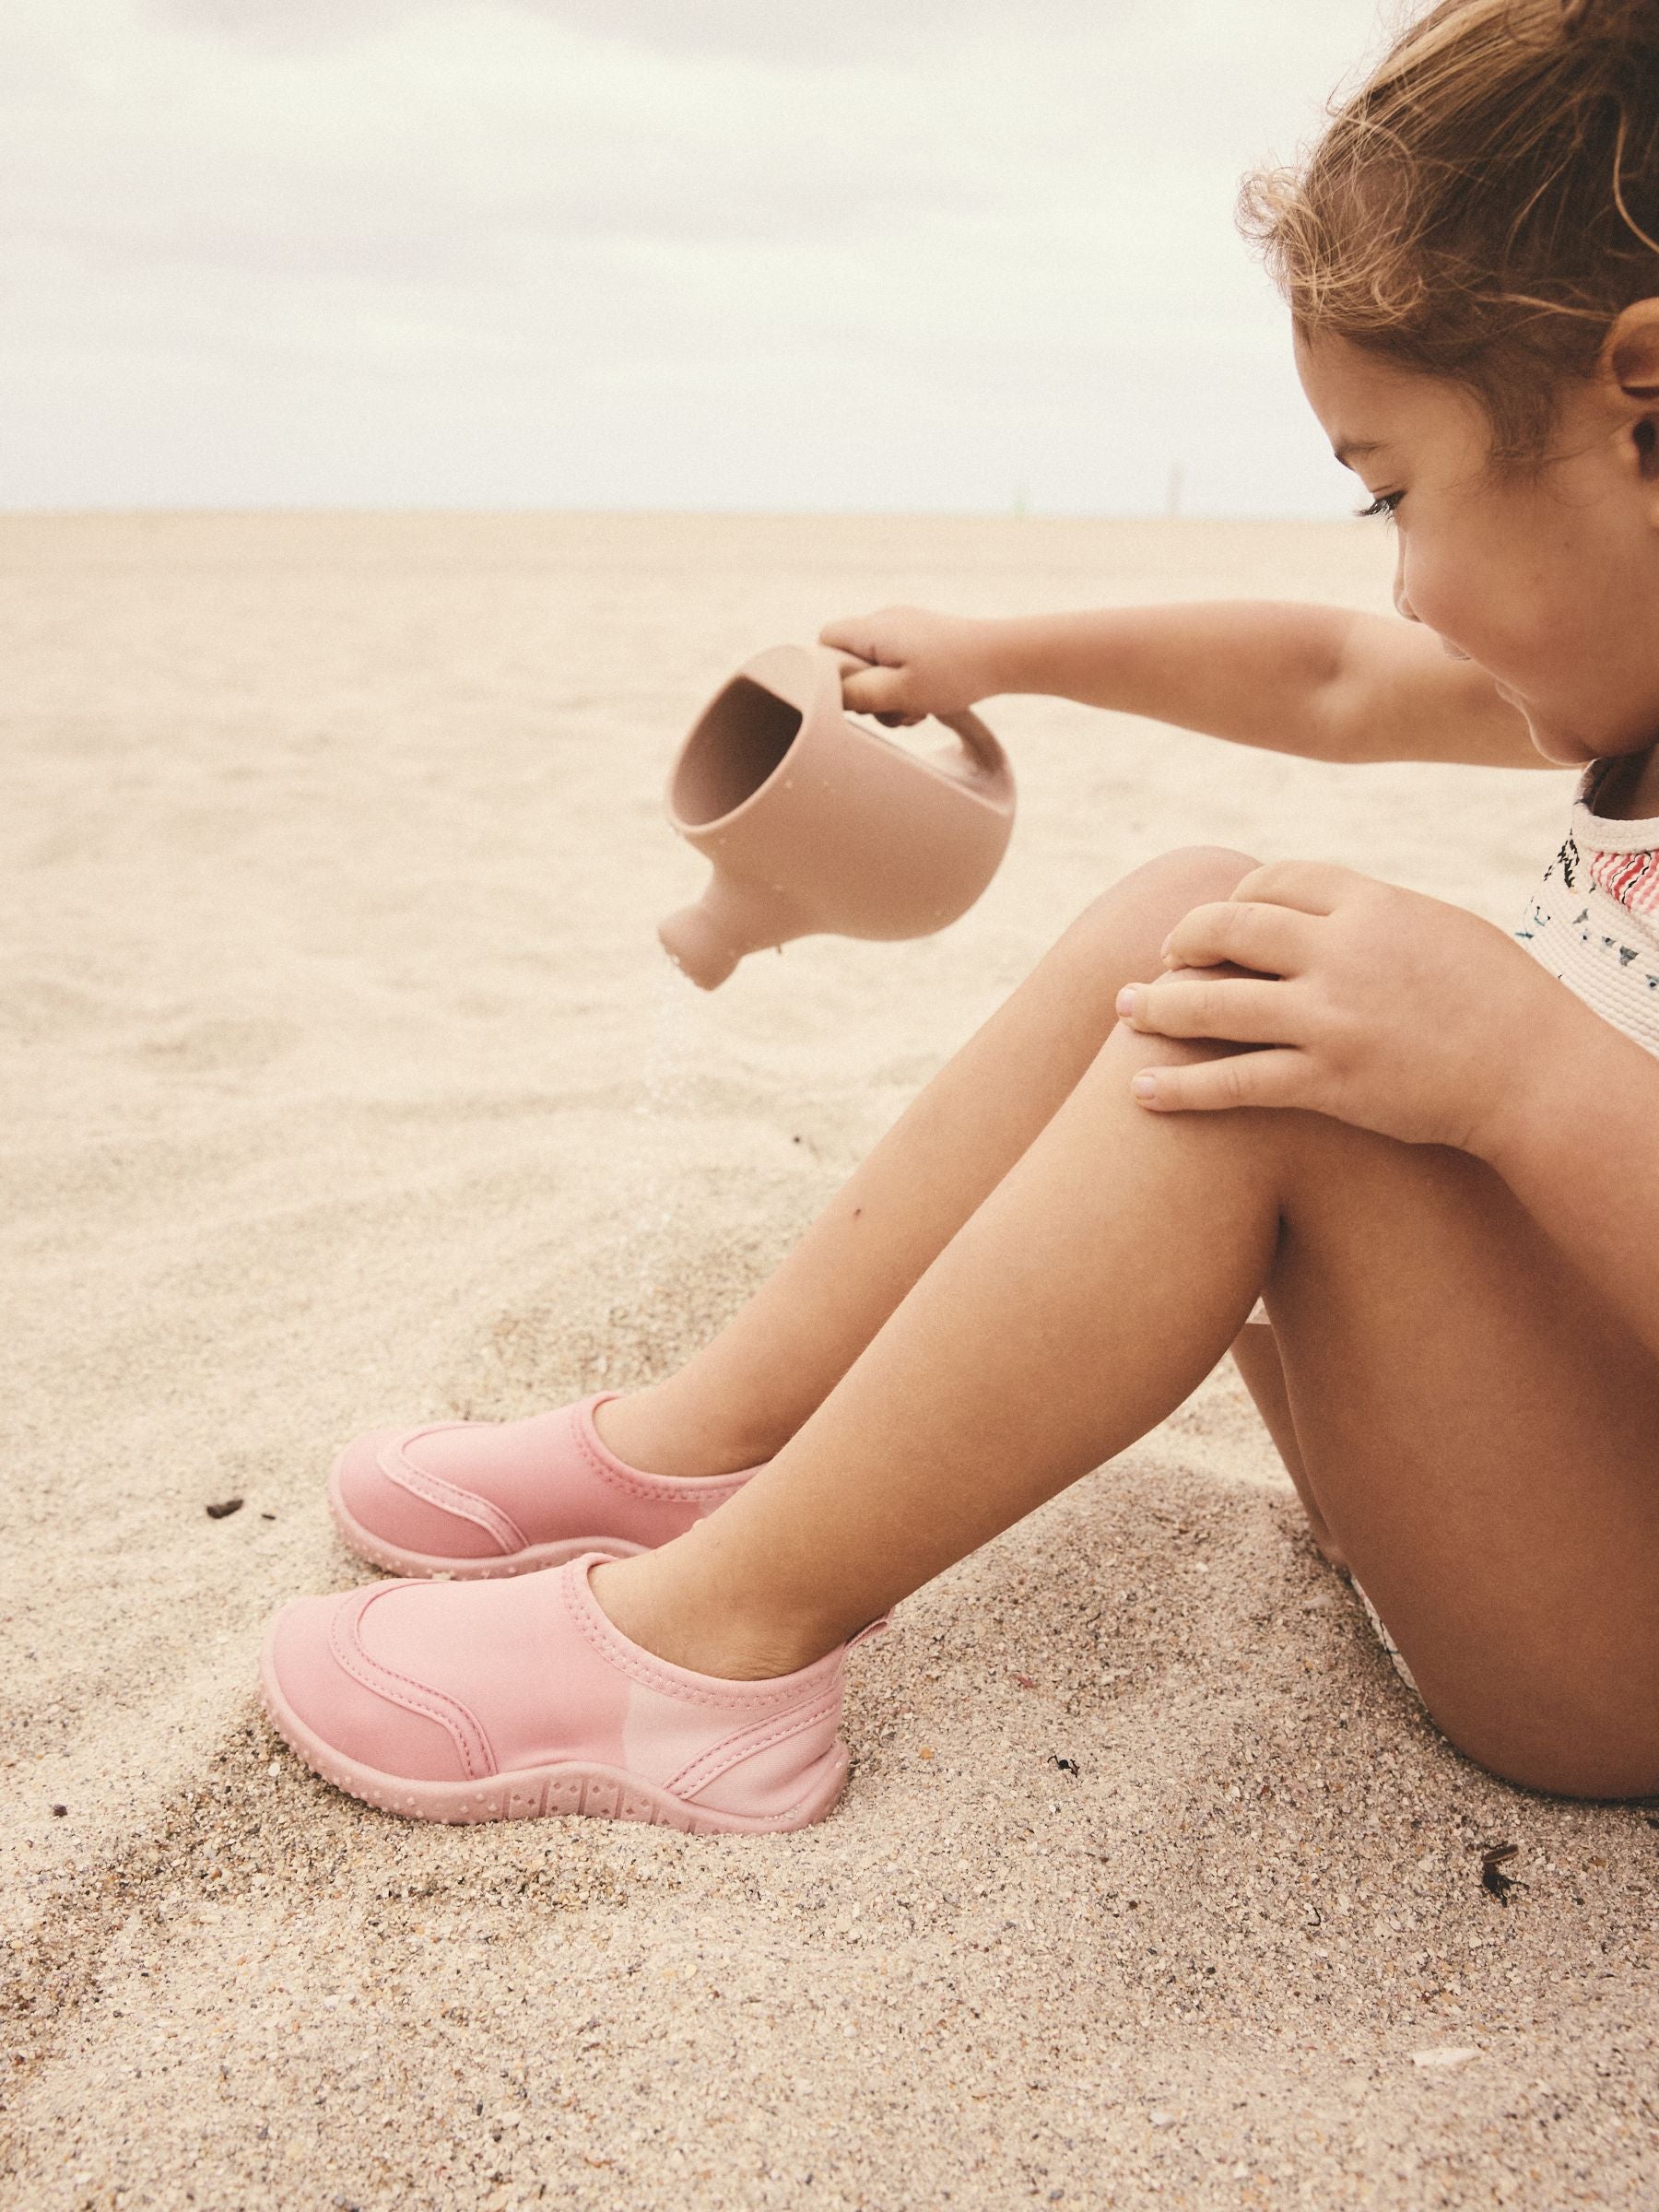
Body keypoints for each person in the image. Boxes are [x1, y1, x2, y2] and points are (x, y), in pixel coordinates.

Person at [261, 0, 1659, 1830]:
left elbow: (1446, 919)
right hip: (1512, 1472)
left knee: (1286, 1052)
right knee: (1203, 911)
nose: (1399, 579)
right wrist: (1009, 655)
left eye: (1397, 490)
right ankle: (713, 1451)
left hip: (1608, 1646)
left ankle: (705, 1650)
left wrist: (1508, 1067)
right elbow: (1328, 676)